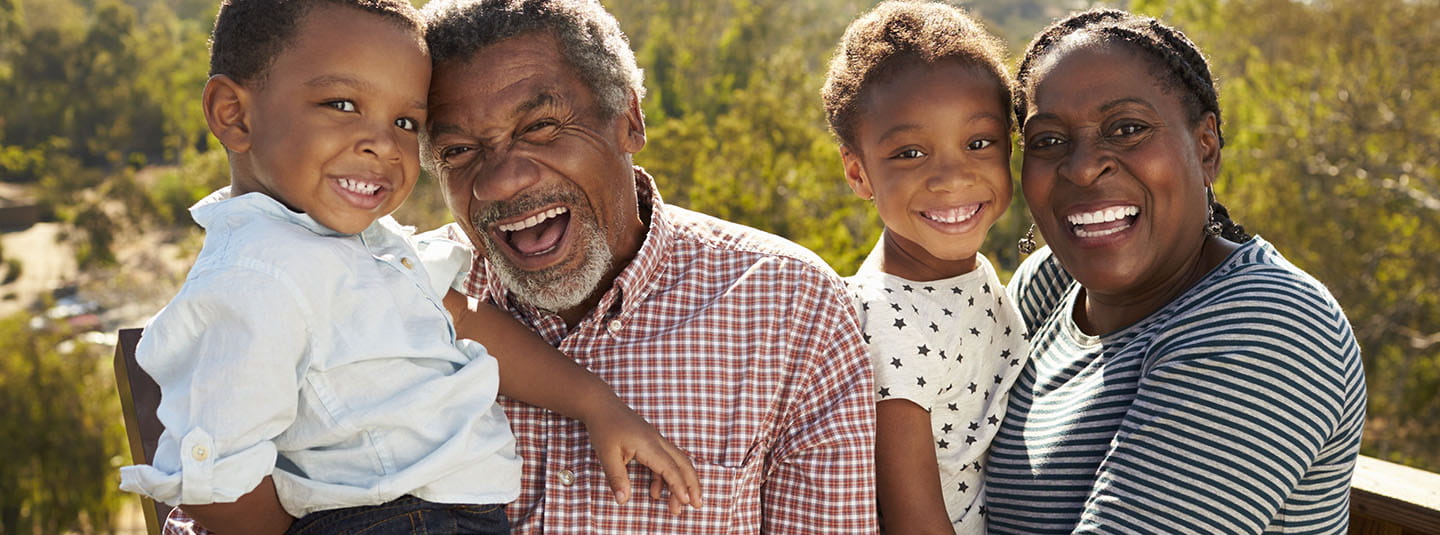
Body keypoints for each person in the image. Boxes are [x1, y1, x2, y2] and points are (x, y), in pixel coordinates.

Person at [120, 1, 701, 533]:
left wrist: (597, 404)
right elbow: (217, 478)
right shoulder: (253, 279)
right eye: (341, 105)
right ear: (234, 115)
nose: (383, 144)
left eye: (405, 122)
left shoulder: (361, 244)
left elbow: (465, 321)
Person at [418, 0, 878, 532]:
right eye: (457, 151)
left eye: (541, 126)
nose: (498, 182)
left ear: (630, 121)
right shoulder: (400, 295)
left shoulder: (790, 306)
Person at [984, 8, 1367, 534]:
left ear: (1205, 147)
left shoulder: (1270, 322)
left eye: (1127, 129)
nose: (1082, 165)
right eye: (1048, 140)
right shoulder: (1046, 285)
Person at [819, 2, 1027, 533]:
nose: (952, 178)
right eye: (910, 153)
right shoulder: (891, 326)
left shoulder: (957, 274)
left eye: (978, 143)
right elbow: (912, 519)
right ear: (858, 172)